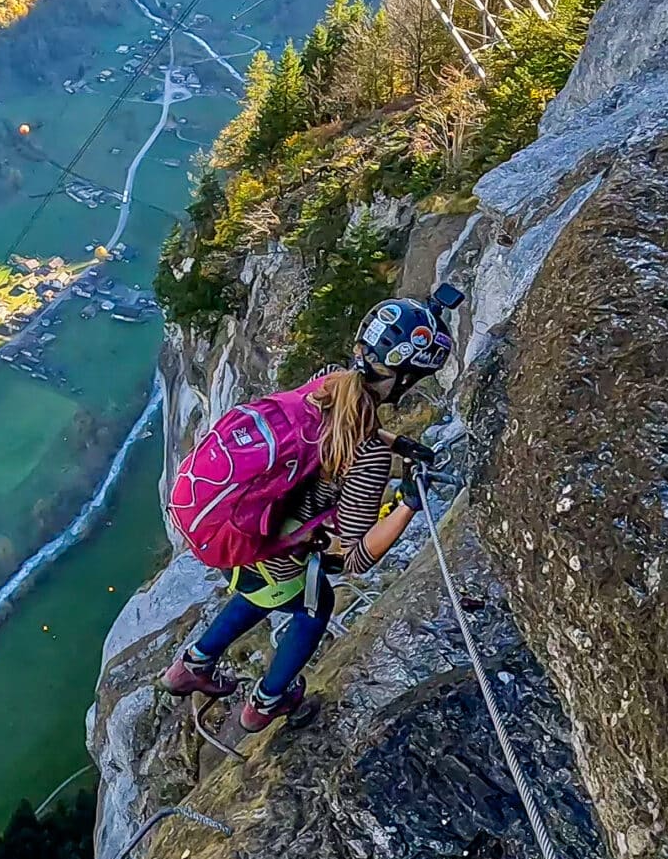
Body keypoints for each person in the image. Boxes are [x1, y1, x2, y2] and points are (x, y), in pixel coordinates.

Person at [161, 292, 458, 730]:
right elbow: (356, 557)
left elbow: (350, 419)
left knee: (260, 594)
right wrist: (410, 503)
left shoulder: (328, 381)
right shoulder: (367, 456)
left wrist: (397, 443)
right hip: (271, 549)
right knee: (315, 606)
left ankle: (192, 665)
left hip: (231, 527)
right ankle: (266, 704)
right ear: (404, 379)